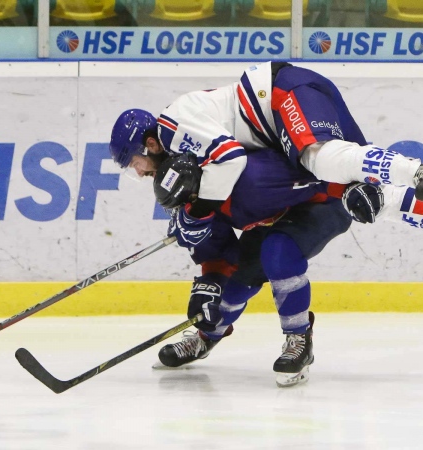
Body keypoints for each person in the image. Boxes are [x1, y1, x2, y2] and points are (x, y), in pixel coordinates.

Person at [109, 61, 423, 254]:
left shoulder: (170, 128)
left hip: (278, 94)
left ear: (149, 144)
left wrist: (199, 213)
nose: (139, 173)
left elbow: (230, 158)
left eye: (134, 163)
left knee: (321, 159)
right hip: (282, 115)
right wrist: (188, 215)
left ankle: (416, 172)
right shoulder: (180, 145)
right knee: (364, 196)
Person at [150, 148, 380, 387]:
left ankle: (299, 338)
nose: (187, 211)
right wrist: (211, 285)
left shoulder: (253, 180)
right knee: (240, 280)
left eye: (188, 202)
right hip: (278, 213)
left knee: (278, 252)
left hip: (325, 205)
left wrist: (353, 190)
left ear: (197, 192)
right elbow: (220, 255)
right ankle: (206, 336)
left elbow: (317, 179)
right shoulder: (200, 208)